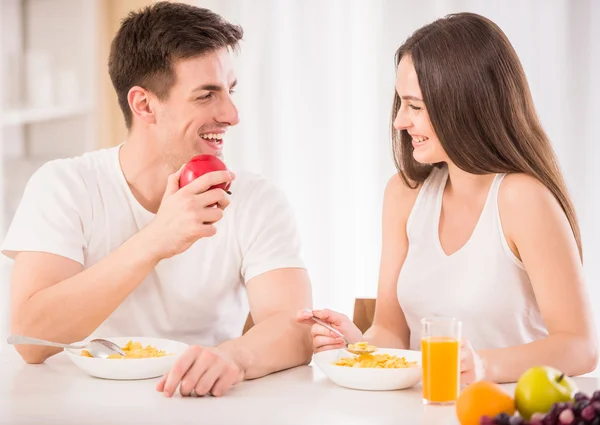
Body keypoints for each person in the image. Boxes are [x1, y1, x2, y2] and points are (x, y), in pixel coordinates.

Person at [2, 2, 313, 397]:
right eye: (207, 95)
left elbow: (297, 329)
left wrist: (234, 358)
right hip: (85, 406)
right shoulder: (65, 185)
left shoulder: (256, 199)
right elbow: (30, 341)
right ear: (144, 104)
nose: (232, 114)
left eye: (229, 92)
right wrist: (156, 240)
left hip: (205, 403)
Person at [298, 12, 598, 384]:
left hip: (507, 408)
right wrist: (357, 347)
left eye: (416, 106)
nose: (399, 122)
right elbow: (391, 331)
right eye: (401, 103)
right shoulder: (404, 194)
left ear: (463, 104)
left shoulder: (522, 199)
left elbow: (580, 347)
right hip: (427, 407)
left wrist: (483, 367)